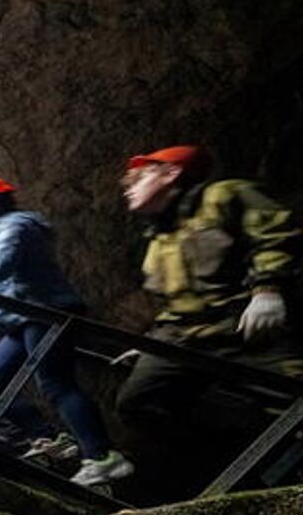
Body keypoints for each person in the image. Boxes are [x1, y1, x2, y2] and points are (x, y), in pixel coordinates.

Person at [0, 177, 134, 487]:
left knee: (56, 384)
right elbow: (7, 289)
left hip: (45, 313)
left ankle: (102, 457)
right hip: (21, 319)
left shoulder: (14, 226)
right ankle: (45, 437)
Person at [113, 144, 302, 494]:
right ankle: (235, 458)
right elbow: (175, 300)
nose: (128, 186)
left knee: (293, 399)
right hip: (185, 336)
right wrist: (153, 342)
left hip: (244, 325)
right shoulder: (158, 237)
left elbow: (277, 234)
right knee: (139, 403)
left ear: (171, 174)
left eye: (139, 177)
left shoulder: (224, 195)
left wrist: (268, 289)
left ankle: (288, 468)